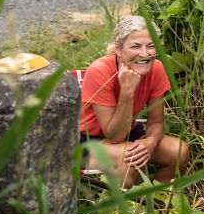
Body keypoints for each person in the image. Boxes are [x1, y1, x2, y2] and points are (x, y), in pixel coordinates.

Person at [80, 15, 190, 188]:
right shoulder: (100, 71)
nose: (144, 54)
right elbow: (115, 137)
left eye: (151, 46)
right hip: (87, 142)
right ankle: (118, 205)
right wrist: (127, 90)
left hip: (127, 133)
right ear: (118, 49)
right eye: (135, 46)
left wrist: (150, 142)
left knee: (178, 151)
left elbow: (156, 122)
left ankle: (157, 202)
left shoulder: (157, 68)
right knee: (131, 157)